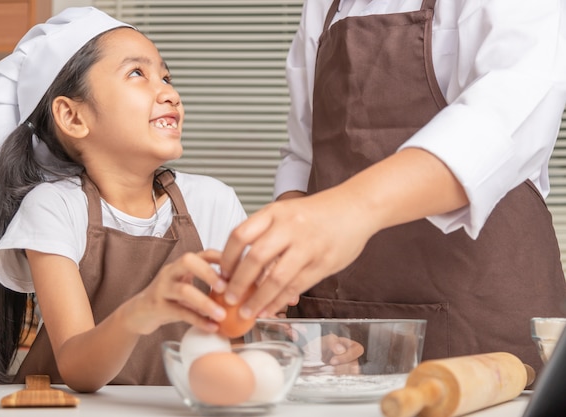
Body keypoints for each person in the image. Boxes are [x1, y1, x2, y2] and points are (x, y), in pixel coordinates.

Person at [219, 0, 566, 374]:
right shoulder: (323, 6)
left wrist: (351, 210)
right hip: (342, 320)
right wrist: (283, 252)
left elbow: (500, 122)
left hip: (482, 316)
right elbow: (305, 153)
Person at [0, 7, 247, 392]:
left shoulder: (214, 201)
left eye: (166, 76)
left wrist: (307, 347)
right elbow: (78, 368)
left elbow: (239, 341)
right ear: (73, 117)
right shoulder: (54, 207)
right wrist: (143, 309)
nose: (170, 92)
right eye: (136, 74)